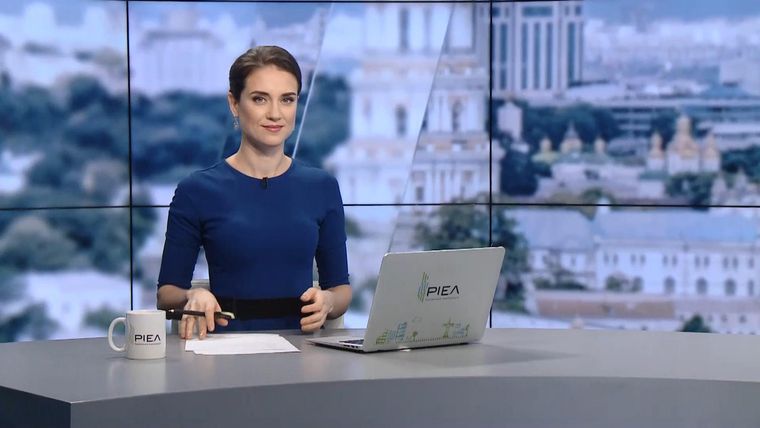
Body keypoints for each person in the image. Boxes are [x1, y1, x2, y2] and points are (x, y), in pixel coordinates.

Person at [156, 46, 351, 339]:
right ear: (234, 104)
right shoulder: (196, 191)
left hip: (304, 350)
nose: (275, 113)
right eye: (260, 99)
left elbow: (341, 289)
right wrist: (192, 295)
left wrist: (329, 301)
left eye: (287, 99)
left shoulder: (322, 187)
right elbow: (166, 294)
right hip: (224, 348)